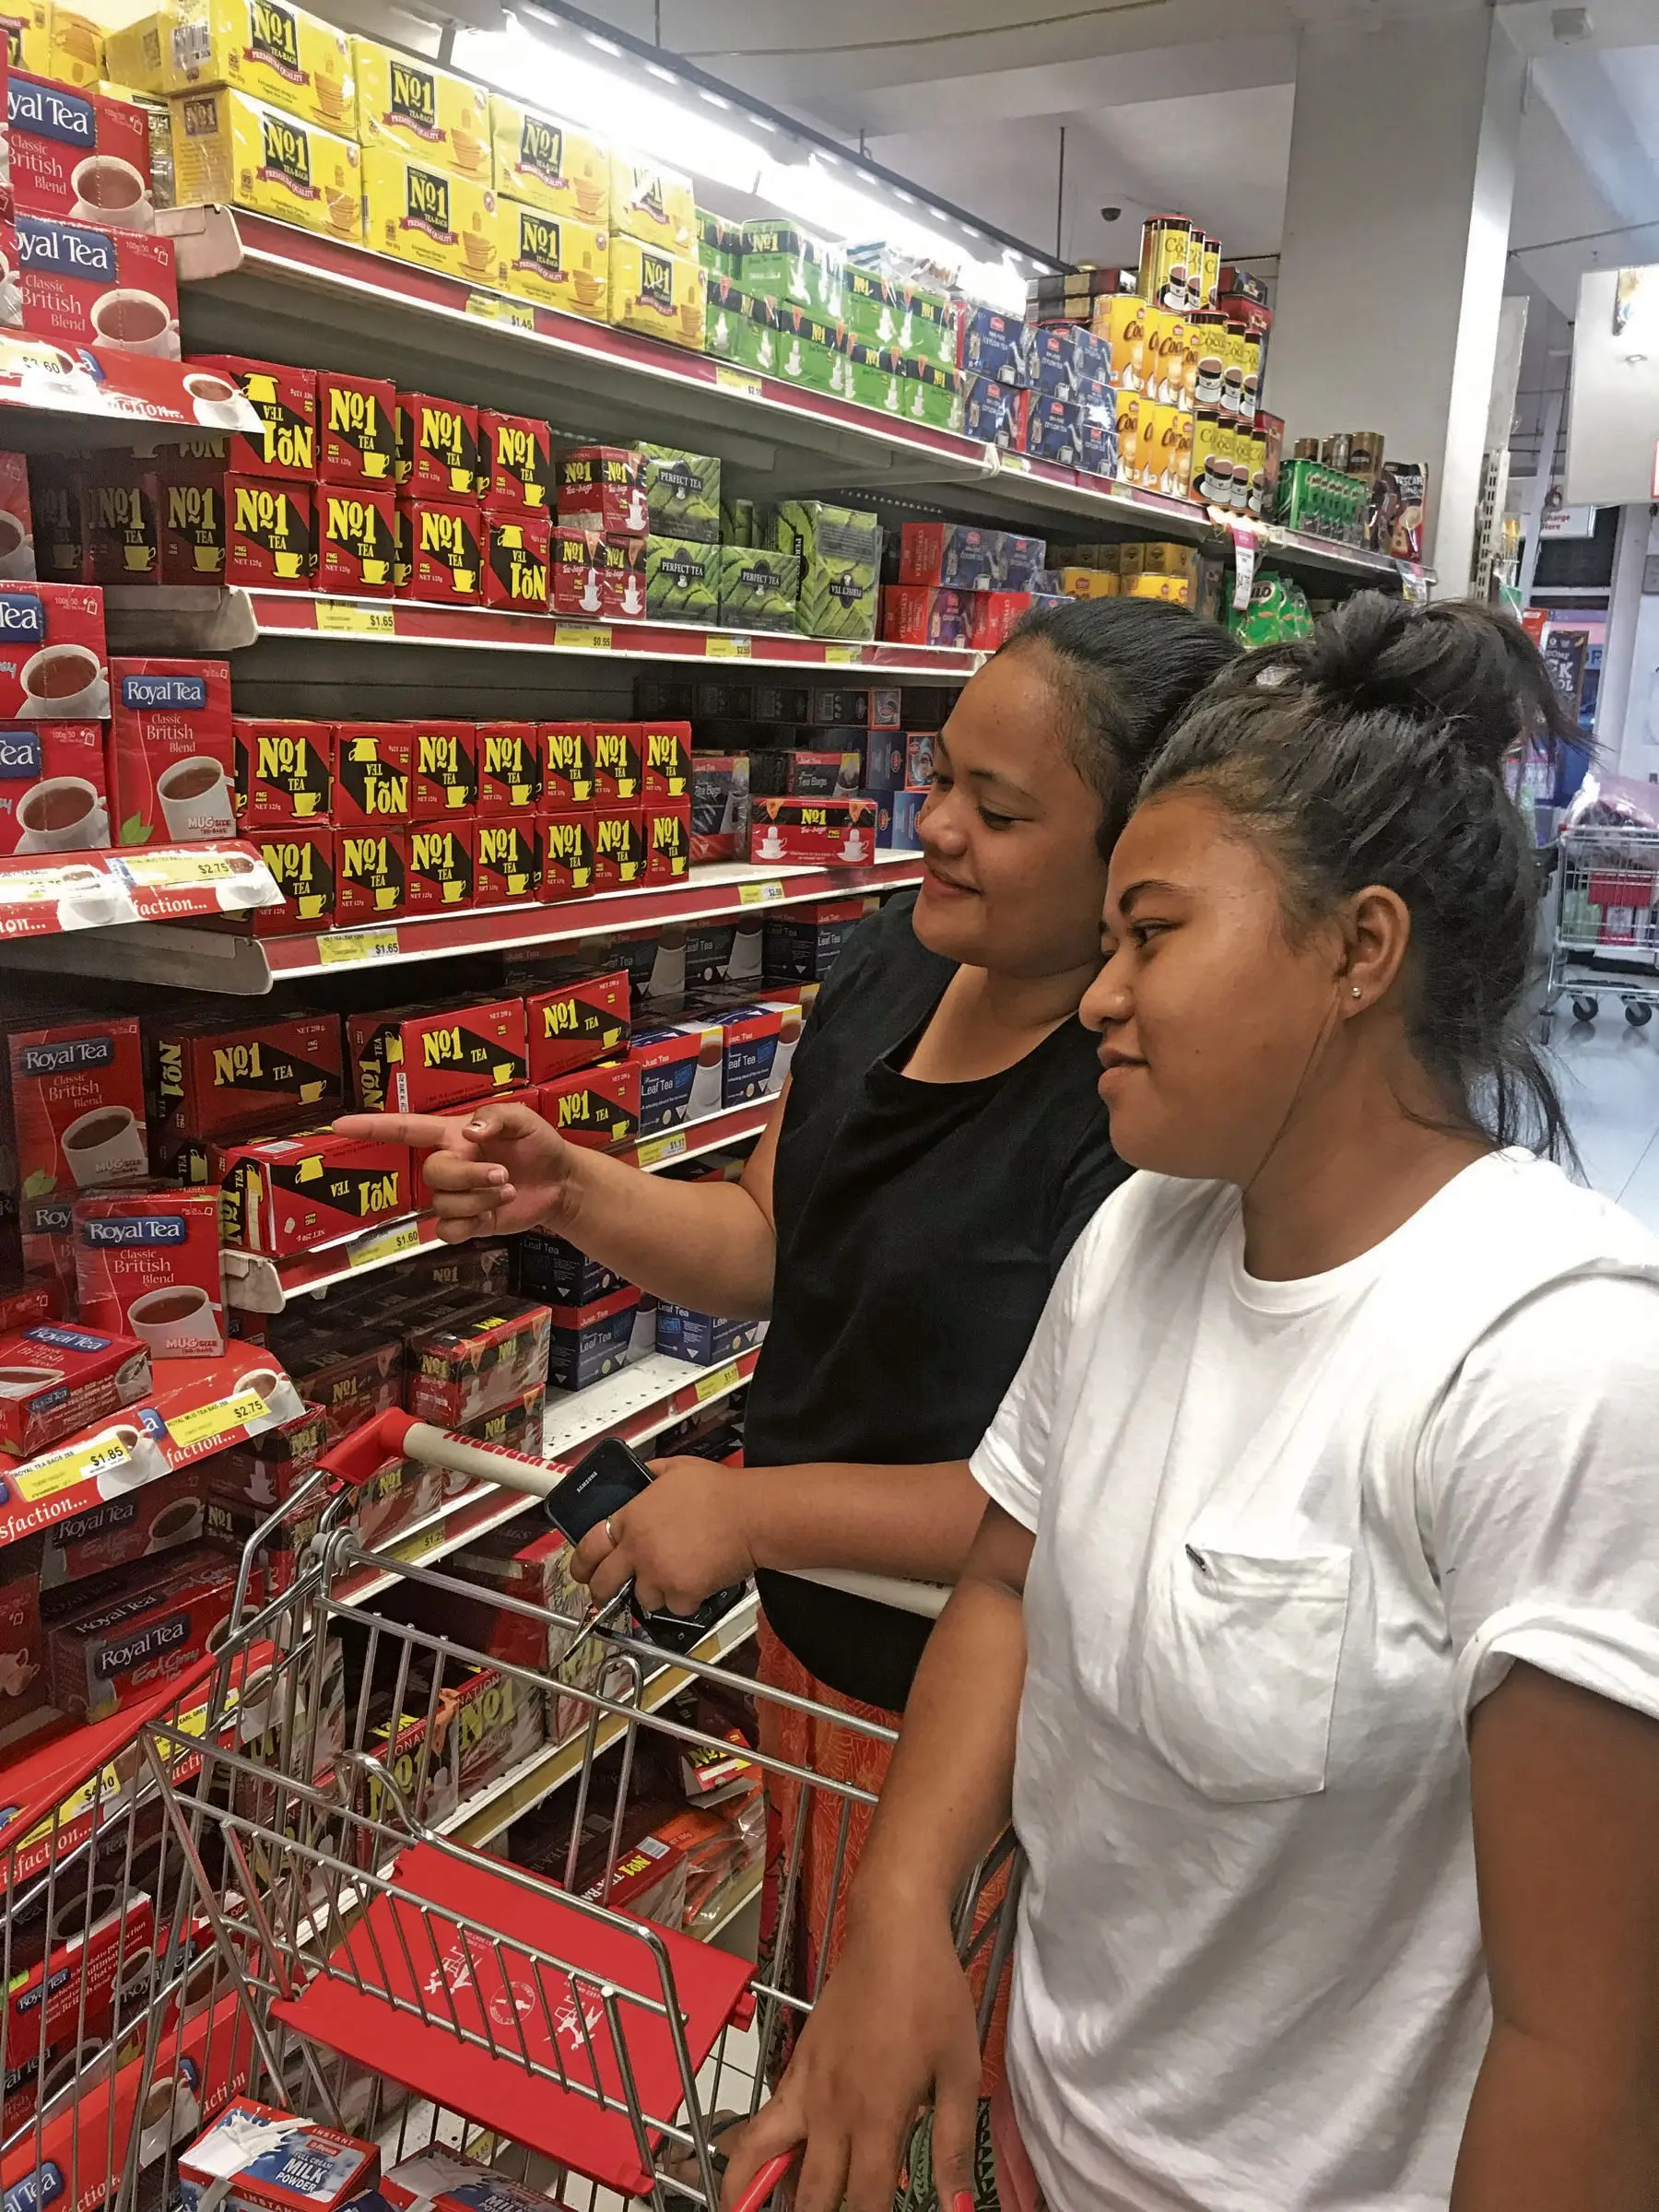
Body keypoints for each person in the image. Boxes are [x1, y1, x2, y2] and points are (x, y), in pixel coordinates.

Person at [724, 594, 1659, 2212]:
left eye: (1153, 936)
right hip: (1041, 2150)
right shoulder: (1144, 1231)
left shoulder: (1548, 1362)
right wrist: (897, 1919)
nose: (1098, 993)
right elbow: (1009, 1578)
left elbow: (1586, 2052)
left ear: (1361, 951)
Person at [339, 599, 1240, 2206]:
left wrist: (746, 1506)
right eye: (945, 778)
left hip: (996, 1724)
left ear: (1136, 858)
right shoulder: (897, 966)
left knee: (953, 2135)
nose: (938, 828)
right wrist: (574, 1191)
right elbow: (773, 1243)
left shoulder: (1139, 1110)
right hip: (819, 1664)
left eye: (1001, 810)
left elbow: (1050, 1499)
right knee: (826, 2082)